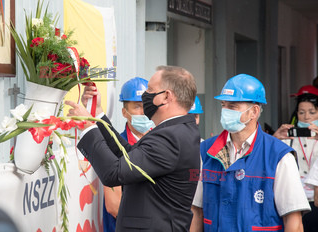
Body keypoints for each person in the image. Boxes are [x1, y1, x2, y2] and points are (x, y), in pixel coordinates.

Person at [67, 65, 200, 232]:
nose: (145, 96)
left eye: (150, 90)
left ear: (166, 96)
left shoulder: (170, 137)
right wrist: (98, 116)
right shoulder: (178, 131)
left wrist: (88, 127)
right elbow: (129, 156)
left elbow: (113, 172)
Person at [190, 74, 310, 232]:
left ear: (254, 111)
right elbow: (196, 211)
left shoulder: (279, 156)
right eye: (223, 105)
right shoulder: (205, 151)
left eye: (232, 107)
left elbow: (293, 221)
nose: (225, 111)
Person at [101, 77, 152, 232]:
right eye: (137, 106)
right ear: (124, 112)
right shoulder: (113, 147)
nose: (143, 112)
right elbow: (113, 205)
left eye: (146, 106)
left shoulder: (161, 143)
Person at [273, 85, 318, 232]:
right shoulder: (287, 138)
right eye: (301, 112)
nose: (306, 117)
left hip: (315, 200)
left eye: (312, 112)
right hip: (295, 199)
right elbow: (270, 160)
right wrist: (274, 139)